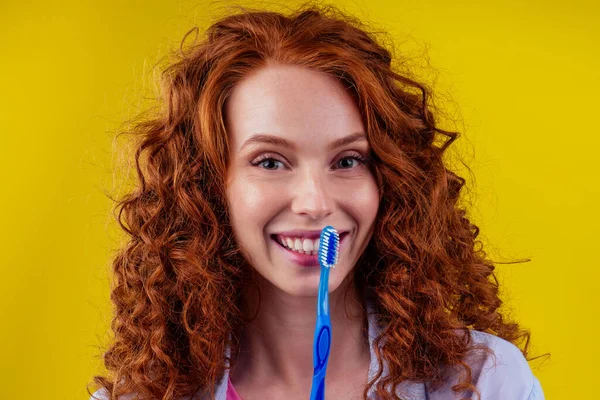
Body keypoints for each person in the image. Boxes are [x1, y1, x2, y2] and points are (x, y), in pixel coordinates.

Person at [88, 4, 547, 400]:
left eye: (347, 160)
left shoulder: (484, 382)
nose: (314, 202)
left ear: (390, 180)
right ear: (206, 187)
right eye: (269, 162)